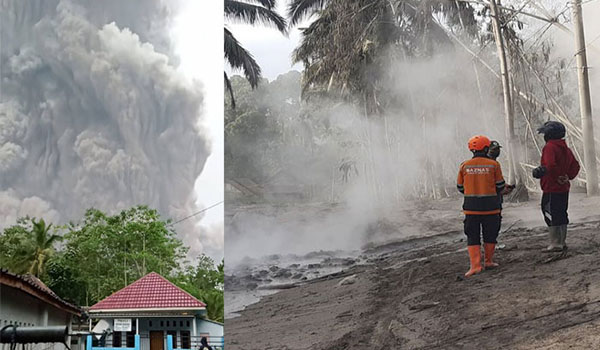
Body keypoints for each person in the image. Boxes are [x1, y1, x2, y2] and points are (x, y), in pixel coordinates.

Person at [457, 135, 506, 277]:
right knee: (490, 234)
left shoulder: (464, 165)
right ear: (486, 148)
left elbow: (460, 187)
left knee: (472, 235)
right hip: (491, 207)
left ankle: (475, 266)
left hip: (471, 208)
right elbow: (500, 185)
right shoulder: (494, 165)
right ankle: (489, 261)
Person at [532, 121, 580, 252]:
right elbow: (575, 165)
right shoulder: (566, 148)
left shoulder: (550, 147)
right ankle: (562, 242)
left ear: (549, 135)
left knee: (549, 212)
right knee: (561, 213)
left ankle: (555, 243)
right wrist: (567, 176)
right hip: (563, 188)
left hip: (551, 187)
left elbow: (551, 165)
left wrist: (556, 177)